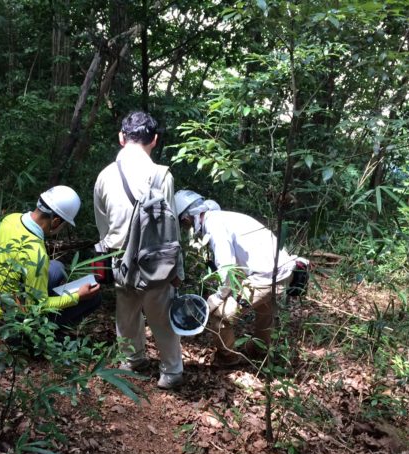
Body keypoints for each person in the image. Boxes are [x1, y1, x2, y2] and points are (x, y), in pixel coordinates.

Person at [93, 111, 185, 389]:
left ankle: (132, 360)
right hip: (157, 259)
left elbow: (103, 225)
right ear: (154, 141)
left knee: (127, 312)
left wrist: (110, 251)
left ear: (122, 138)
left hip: (120, 258)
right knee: (161, 315)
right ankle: (170, 372)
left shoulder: (105, 176)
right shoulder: (161, 175)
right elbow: (171, 228)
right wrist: (178, 267)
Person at [174, 189, 306, 367]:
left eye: (184, 224)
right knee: (264, 313)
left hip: (265, 277)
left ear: (186, 219)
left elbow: (227, 266)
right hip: (282, 271)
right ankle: (260, 352)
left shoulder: (214, 225)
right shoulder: (225, 217)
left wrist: (219, 297)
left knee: (219, 316)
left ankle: (228, 358)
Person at [0, 185, 101, 327]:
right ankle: (45, 336)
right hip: (12, 316)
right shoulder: (36, 254)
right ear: (56, 221)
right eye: (63, 225)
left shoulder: (10, 219)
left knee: (57, 267)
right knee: (94, 298)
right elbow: (38, 306)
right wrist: (78, 296)